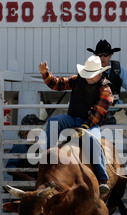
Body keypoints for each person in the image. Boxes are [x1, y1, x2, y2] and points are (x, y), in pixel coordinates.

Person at [39, 55, 113, 194]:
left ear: (100, 73)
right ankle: (48, 158)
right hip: (72, 118)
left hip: (91, 124)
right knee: (54, 122)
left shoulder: (105, 89)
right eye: (87, 74)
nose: (88, 78)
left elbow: (99, 113)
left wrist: (86, 126)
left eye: (91, 75)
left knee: (93, 140)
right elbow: (58, 83)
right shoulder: (79, 79)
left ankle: (103, 178)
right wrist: (46, 73)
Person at [87, 40, 127, 124]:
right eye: (99, 55)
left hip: (116, 111)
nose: (102, 58)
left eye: (105, 54)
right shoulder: (90, 70)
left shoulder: (118, 68)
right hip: (98, 114)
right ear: (95, 56)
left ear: (111, 55)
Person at [6, 114, 46, 182]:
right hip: (24, 186)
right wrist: (28, 178)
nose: (40, 128)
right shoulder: (21, 146)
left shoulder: (37, 144)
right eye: (37, 126)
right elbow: (10, 169)